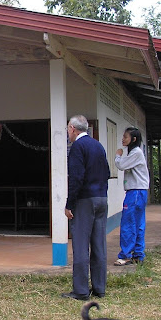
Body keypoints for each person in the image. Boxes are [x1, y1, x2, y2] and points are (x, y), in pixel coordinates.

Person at [61, 115, 111, 301]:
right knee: (99, 244)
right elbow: (106, 172)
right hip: (101, 198)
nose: (68, 132)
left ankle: (81, 290)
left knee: (81, 245)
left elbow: (76, 178)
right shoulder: (98, 146)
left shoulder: (77, 147)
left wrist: (69, 204)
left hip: (84, 200)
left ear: (73, 128)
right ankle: (100, 288)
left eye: (68, 129)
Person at [114, 127, 149, 266]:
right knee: (138, 223)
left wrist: (118, 155)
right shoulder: (135, 153)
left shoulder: (135, 153)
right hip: (140, 191)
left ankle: (126, 255)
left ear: (133, 139)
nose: (123, 139)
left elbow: (121, 165)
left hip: (135, 192)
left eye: (125, 137)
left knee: (128, 223)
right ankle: (138, 254)